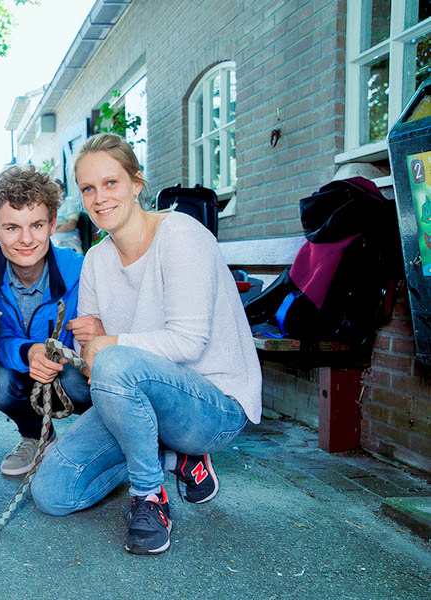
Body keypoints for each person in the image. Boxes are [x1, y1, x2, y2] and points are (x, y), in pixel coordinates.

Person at [30, 133, 262, 555]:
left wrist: (105, 344)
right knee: (52, 492)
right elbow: (93, 359)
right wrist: (81, 352)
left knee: (116, 362)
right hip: (135, 392)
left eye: (111, 183)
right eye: (88, 188)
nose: (100, 198)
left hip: (213, 403)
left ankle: (150, 497)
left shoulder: (181, 235)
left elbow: (188, 342)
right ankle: (172, 458)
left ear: (137, 183)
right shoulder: (97, 259)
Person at [0, 165, 91, 477]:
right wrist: (29, 352)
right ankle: (37, 434)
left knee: (83, 382)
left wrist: (67, 355)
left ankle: (98, 443)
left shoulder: (80, 269)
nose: (26, 240)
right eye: (12, 228)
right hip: (16, 370)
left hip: (66, 375)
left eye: (36, 225)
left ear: (53, 224)